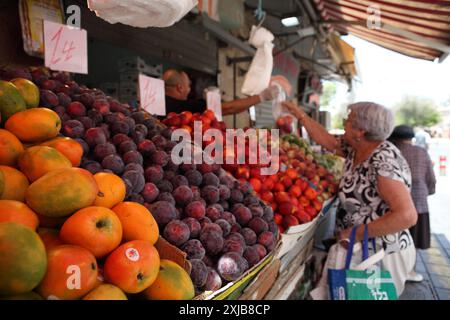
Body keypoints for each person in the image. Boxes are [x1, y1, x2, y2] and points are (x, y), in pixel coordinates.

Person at [283, 100, 418, 296]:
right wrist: (298, 113)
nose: (344, 122)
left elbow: (407, 215)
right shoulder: (357, 149)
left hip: (380, 253)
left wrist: (357, 233)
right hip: (358, 248)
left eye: (348, 119)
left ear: (360, 130)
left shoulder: (382, 161)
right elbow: (327, 140)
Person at [389, 125, 436, 282]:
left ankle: (393, 270)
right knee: (414, 240)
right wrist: (427, 191)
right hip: (419, 201)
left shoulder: (392, 152)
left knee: (394, 236)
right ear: (411, 137)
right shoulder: (422, 152)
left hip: (394, 202)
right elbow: (431, 178)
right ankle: (410, 271)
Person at [162, 69, 279, 116]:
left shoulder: (152, 104)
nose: (189, 89)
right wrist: (261, 97)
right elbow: (228, 108)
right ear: (180, 88)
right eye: (188, 85)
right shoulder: (186, 107)